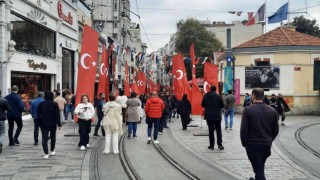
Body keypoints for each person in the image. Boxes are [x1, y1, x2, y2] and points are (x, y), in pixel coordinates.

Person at [240, 88, 279, 180]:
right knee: (259, 168)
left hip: (253, 145)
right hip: (266, 145)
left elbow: (244, 129)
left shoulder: (248, 110)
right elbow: (276, 130)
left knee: (259, 171)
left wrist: (244, 144)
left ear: (253, 96)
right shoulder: (272, 111)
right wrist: (269, 140)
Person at [37, 91, 62, 159]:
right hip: (53, 123)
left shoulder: (41, 104)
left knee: (44, 138)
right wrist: (59, 124)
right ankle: (52, 150)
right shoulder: (54, 104)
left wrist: (38, 123)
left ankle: (46, 153)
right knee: (53, 137)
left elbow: (38, 115)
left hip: (43, 123)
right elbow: (57, 115)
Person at [201, 86, 225, 150]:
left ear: (210, 89)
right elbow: (222, 105)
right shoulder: (219, 96)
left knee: (211, 130)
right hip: (217, 116)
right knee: (218, 130)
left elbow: (202, 105)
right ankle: (220, 145)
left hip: (208, 116)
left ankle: (211, 146)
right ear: (215, 89)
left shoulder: (206, 96)